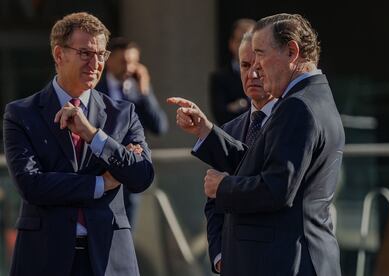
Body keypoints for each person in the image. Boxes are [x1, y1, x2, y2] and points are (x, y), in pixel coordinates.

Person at [172, 13, 344, 276]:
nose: (257, 69)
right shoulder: (315, 96)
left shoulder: (297, 105)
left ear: (292, 52)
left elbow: (277, 188)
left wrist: (223, 186)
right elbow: (260, 163)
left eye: (261, 54)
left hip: (287, 261)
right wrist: (207, 131)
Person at [3, 12, 154, 276]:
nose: (95, 63)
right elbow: (31, 185)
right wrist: (101, 183)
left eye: (101, 54)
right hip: (44, 258)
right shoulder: (21, 114)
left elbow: (141, 176)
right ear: (59, 55)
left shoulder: (122, 113)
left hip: (110, 258)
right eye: (85, 53)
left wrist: (94, 136)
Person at [168, 31, 276, 274]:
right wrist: (219, 256)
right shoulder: (230, 129)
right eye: (245, 65)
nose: (253, 74)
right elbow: (214, 203)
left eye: (259, 65)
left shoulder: (287, 124)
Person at [96, 37, 168, 225]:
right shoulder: (95, 88)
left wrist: (144, 91)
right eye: (123, 61)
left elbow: (159, 126)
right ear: (108, 61)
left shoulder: (139, 90)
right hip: (98, 175)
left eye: (133, 62)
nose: (129, 67)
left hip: (128, 178)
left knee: (125, 236)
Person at [209, 18, 255, 125]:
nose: (246, 46)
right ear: (231, 43)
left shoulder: (267, 73)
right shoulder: (219, 77)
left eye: (251, 41)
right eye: (241, 40)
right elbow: (221, 115)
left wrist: (238, 105)